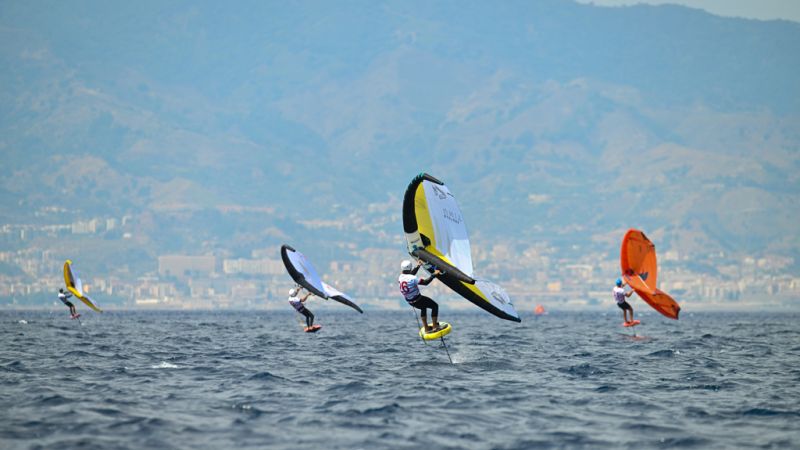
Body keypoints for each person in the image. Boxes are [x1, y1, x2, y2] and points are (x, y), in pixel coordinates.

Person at [399, 259, 442, 333]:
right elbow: (425, 282)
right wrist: (434, 274)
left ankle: (426, 328)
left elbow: (410, 275)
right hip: (418, 299)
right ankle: (435, 326)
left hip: (410, 301)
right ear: (410, 268)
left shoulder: (400, 277)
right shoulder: (412, 278)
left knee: (423, 307)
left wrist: (418, 266)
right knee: (435, 306)